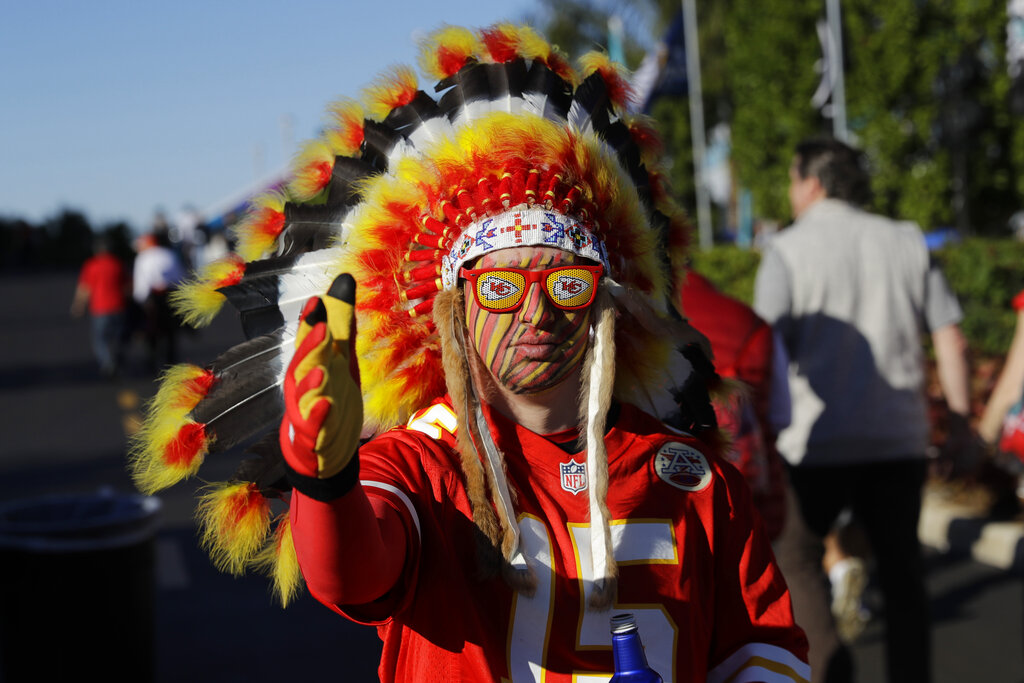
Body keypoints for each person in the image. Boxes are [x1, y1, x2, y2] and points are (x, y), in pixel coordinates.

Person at [129, 25, 809, 682]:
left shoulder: (690, 476)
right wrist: (325, 473)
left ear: (606, 302)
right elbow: (356, 573)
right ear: (454, 311)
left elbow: (762, 643)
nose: (536, 312)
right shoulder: (423, 462)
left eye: (566, 283)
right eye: (501, 286)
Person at [754, 137, 974, 683]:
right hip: (897, 438)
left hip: (815, 443)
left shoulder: (787, 250)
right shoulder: (906, 241)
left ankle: (831, 664)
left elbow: (763, 352)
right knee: (902, 574)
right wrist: (964, 425)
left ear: (812, 182)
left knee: (798, 558)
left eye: (791, 178)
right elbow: (951, 338)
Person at [680, 269, 790, 540]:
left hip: (672, 496)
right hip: (751, 496)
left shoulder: (629, 319)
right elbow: (782, 416)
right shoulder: (749, 320)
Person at [70, 234, 128, 377]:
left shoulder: (91, 265)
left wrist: (78, 305)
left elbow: (85, 288)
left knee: (100, 339)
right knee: (119, 337)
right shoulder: (118, 264)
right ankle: (116, 359)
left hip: (100, 308)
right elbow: (128, 287)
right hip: (119, 306)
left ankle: (108, 363)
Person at [132, 228, 185, 371]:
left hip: (152, 299)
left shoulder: (142, 258)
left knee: (151, 332)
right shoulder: (169, 254)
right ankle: (171, 363)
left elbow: (141, 283)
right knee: (170, 332)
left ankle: (152, 361)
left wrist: (140, 301)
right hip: (170, 295)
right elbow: (180, 277)